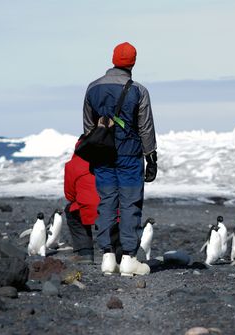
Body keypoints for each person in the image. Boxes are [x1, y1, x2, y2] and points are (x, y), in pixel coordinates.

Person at [83, 42, 157, 276]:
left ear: (113, 59)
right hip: (129, 154)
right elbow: (145, 127)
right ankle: (128, 258)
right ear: (133, 62)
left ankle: (107, 257)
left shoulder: (92, 88)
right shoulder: (138, 90)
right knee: (130, 203)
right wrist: (151, 156)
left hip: (103, 154)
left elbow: (88, 127)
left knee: (106, 202)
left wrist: (93, 154)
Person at [64, 138, 123, 265]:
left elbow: (70, 195)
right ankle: (119, 254)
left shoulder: (72, 165)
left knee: (71, 209)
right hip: (112, 208)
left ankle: (85, 253)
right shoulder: (112, 159)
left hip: (88, 209)